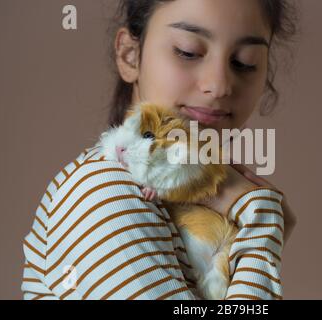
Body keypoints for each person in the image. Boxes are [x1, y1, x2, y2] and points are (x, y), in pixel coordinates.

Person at [21, 0, 298, 300]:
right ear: (130, 55)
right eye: (187, 51)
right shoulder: (105, 193)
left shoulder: (195, 208)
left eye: (245, 62)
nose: (219, 85)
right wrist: (263, 223)